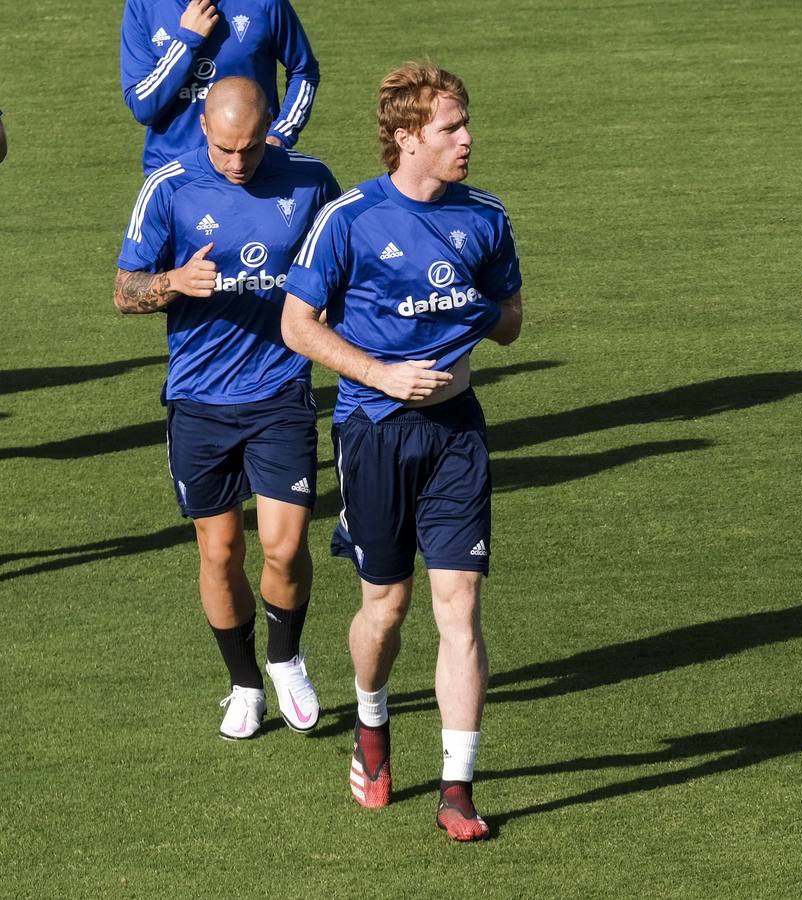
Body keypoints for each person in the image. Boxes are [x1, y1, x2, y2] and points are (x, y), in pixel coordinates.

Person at [281, 60, 523, 842]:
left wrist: (471, 307)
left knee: (461, 608)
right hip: (374, 435)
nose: (467, 139)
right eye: (452, 128)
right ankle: (374, 722)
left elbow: (510, 319)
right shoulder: (349, 218)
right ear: (407, 139)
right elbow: (297, 324)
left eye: (465, 123)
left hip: (458, 435)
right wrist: (381, 371)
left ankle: (458, 786)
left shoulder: (484, 216)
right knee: (385, 609)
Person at [114, 76, 340, 740]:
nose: (237, 163)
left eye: (248, 149)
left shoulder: (310, 179)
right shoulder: (169, 187)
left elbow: (342, 260)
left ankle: (285, 657)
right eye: (224, 150)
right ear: (203, 128)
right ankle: (243, 683)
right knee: (219, 553)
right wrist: (173, 282)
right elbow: (123, 290)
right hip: (198, 401)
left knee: (285, 544)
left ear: (268, 126)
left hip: (279, 394)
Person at [120, 0, 319, 173]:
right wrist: (187, 41)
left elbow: (303, 70)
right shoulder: (142, 5)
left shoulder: (265, 3)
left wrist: (281, 134)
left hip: (249, 167)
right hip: (176, 174)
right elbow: (143, 106)